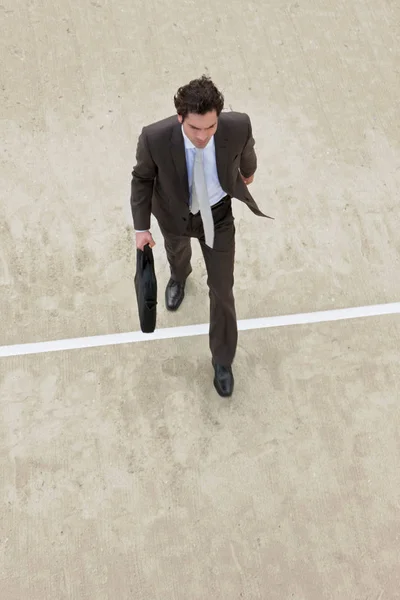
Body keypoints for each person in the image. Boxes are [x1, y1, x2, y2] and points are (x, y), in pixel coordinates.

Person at [130, 75, 270, 397]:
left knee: (223, 289)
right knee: (177, 255)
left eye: (210, 127)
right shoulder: (154, 137)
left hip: (218, 216)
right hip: (173, 214)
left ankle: (222, 359)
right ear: (180, 117)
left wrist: (248, 172)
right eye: (195, 129)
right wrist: (141, 229)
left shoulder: (237, 126)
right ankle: (179, 277)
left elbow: (246, 149)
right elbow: (141, 180)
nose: (204, 136)